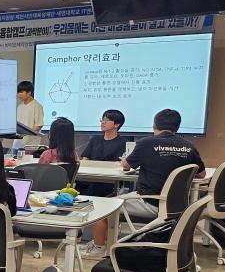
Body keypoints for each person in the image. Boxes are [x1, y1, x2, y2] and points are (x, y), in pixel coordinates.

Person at [83, 109, 205, 259]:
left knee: (103, 207)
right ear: (178, 127)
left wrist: (124, 161)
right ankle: (109, 243)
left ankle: (98, 248)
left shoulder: (146, 143)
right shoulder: (189, 146)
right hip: (177, 206)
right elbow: (201, 174)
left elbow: (127, 166)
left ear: (154, 125)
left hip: (149, 201)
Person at [78, 109, 127, 198]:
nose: (103, 122)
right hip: (90, 176)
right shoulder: (95, 140)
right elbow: (85, 158)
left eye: (107, 120)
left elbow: (121, 163)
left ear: (117, 124)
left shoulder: (123, 142)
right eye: (102, 120)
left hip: (109, 180)